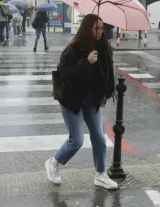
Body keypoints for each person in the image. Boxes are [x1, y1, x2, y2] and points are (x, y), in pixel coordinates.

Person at [45, 14, 117, 190]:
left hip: (91, 100)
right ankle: (54, 162)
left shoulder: (103, 48)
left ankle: (100, 175)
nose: (100, 32)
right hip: (72, 100)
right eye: (96, 28)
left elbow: (106, 75)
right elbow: (65, 75)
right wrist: (86, 62)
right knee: (76, 140)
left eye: (101, 28)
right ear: (87, 29)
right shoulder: (73, 49)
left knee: (99, 138)